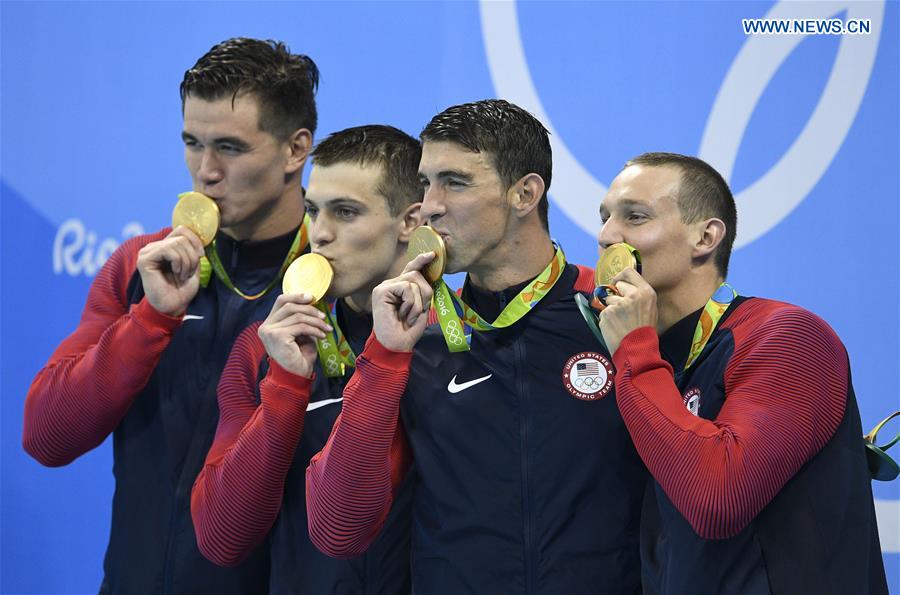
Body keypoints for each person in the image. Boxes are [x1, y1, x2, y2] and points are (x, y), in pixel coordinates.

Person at [306, 99, 648, 594]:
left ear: (525, 194)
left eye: (456, 182)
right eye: (426, 183)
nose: (431, 205)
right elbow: (337, 528)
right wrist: (382, 359)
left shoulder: (613, 314)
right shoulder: (414, 339)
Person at [22, 37, 318, 593]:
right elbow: (46, 436)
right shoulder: (141, 265)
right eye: (192, 142)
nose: (204, 171)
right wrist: (150, 321)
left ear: (295, 150)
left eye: (229, 147)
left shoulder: (333, 288)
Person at [595, 152, 888, 594]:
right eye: (604, 218)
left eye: (635, 217)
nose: (607, 236)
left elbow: (717, 499)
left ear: (705, 237)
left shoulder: (787, 336)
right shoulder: (664, 362)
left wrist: (635, 351)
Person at [190, 124, 422, 593]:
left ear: (410, 222)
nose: (320, 235)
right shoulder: (263, 347)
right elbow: (220, 537)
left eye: (346, 213)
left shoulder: (452, 344)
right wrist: (285, 387)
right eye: (314, 211)